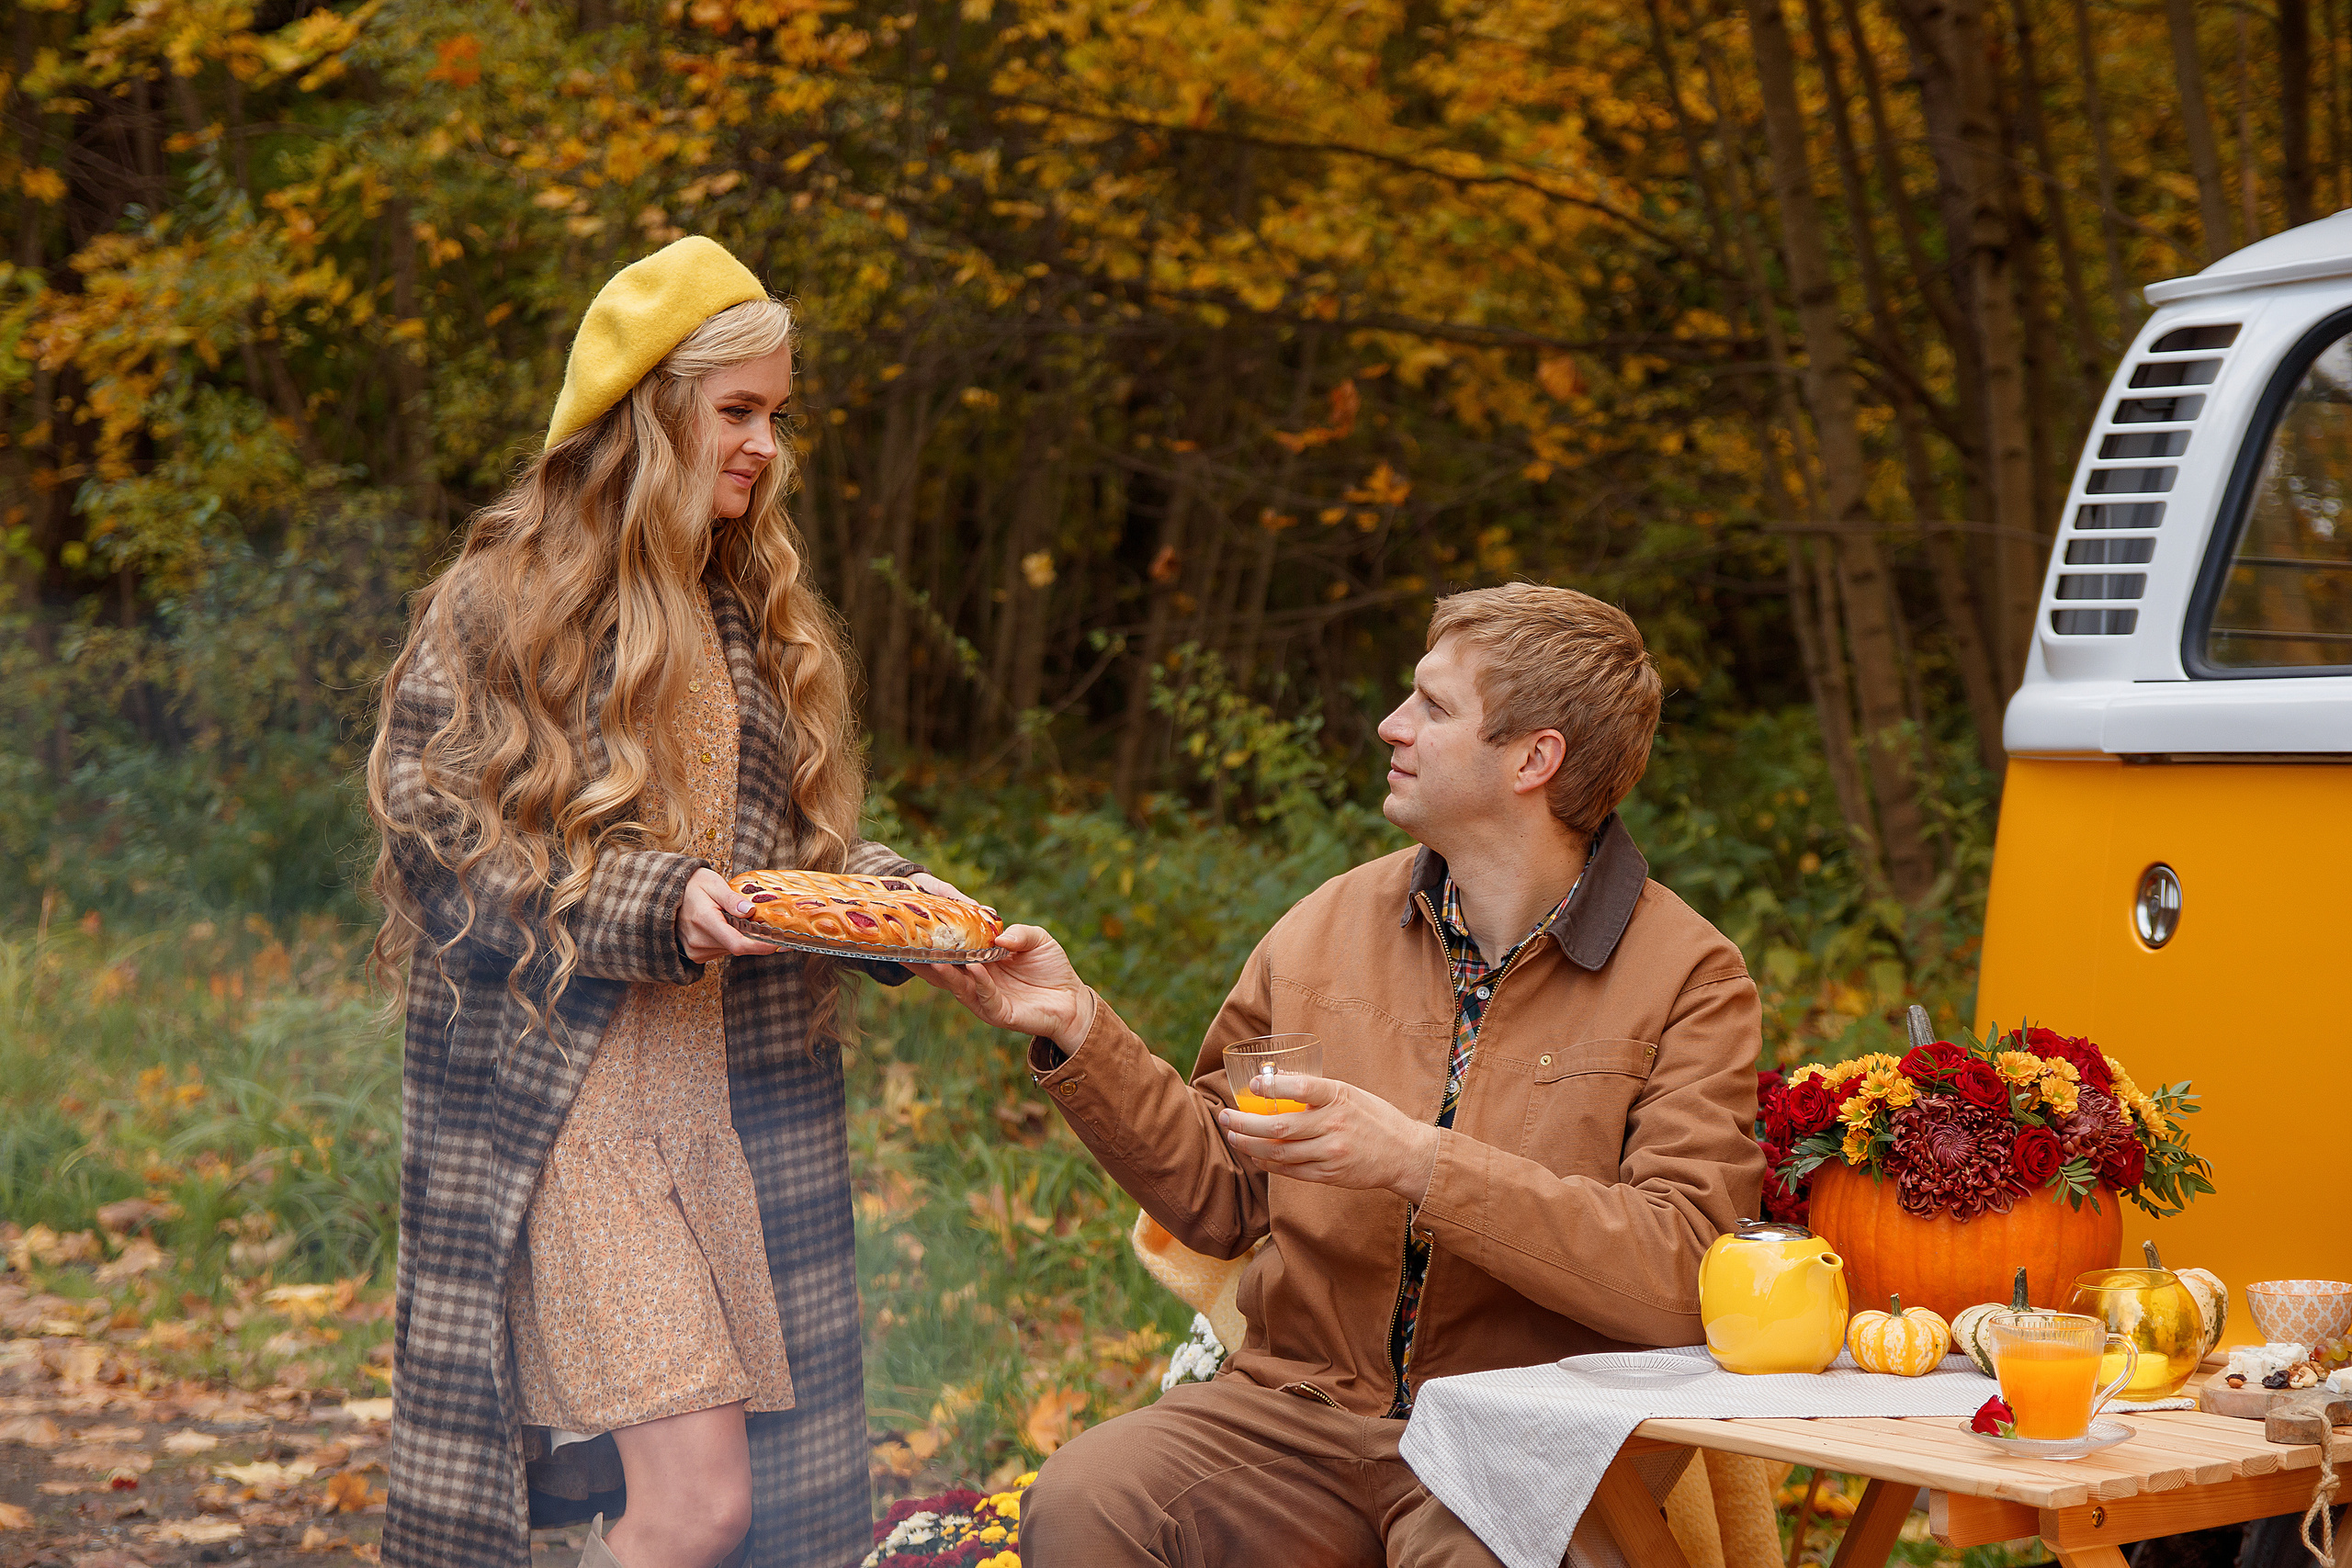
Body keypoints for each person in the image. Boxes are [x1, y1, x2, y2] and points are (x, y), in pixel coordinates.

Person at [923, 584, 1764, 1566]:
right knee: (1090, 1499)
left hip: (1523, 1437)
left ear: (1534, 760)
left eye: (1433, 707)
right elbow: (1224, 1195)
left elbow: (1681, 1272)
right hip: (1296, 1412)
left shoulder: (1689, 977)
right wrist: (1075, 1026)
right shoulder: (1326, 926)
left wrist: (1419, 1161)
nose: (1390, 725)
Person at [368, 237, 960, 1568]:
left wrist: (889, 901)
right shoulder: (506, 602)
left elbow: (764, 865)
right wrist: (658, 900)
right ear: (649, 408)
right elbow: (440, 852)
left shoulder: (748, 612)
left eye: (777, 415)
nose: (765, 445)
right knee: (699, 1502)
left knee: (710, 1511)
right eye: (736, 411)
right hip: (568, 1105)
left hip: (721, 1110)